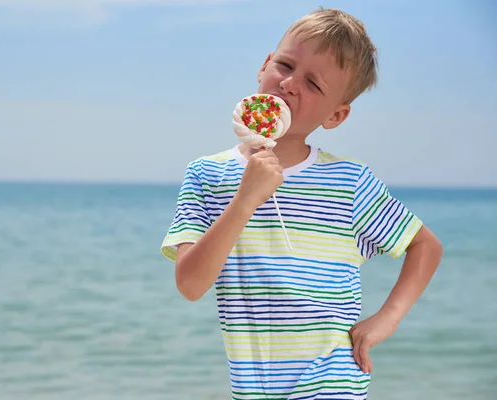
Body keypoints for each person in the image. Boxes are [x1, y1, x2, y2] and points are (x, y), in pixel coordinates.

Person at [160, 7, 443, 400]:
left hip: (333, 380)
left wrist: (387, 318)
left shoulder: (349, 183)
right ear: (263, 66)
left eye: (313, 84)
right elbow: (190, 285)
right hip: (255, 386)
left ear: (337, 115)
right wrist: (245, 200)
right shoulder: (207, 175)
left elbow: (425, 245)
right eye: (285, 64)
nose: (290, 84)